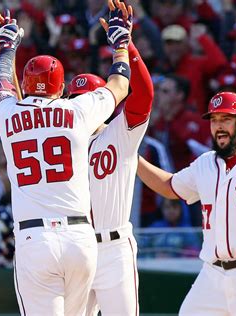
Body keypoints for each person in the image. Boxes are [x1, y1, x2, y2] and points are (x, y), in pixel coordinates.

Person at [0, 1, 133, 314]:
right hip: (80, 238)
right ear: (63, 88)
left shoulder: (7, 111)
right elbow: (120, 84)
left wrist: (6, 47)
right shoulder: (77, 110)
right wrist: (121, 42)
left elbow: (1, 80)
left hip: (34, 238)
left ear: (25, 87)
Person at [137, 91, 236, 315]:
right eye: (214, 120)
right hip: (212, 276)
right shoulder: (205, 163)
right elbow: (169, 186)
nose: (218, 126)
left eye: (225, 119)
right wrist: (132, 159)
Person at [68, 41, 153, 315]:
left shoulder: (121, 132)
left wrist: (128, 48)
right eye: (74, 99)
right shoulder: (63, 141)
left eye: (87, 97)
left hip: (113, 247)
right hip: (76, 247)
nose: (81, 104)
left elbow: (145, 96)